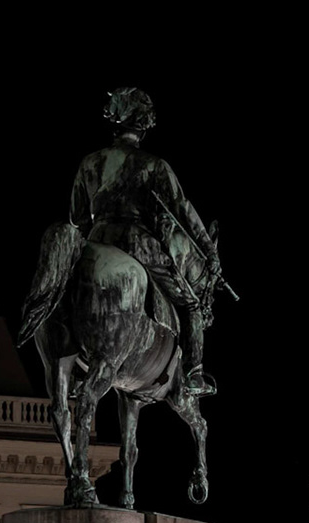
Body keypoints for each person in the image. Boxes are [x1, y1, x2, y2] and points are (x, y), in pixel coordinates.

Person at [69, 87, 219, 397]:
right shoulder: (154, 165)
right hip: (137, 242)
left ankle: (71, 366)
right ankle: (193, 373)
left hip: (96, 241)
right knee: (190, 303)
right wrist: (208, 251)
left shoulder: (90, 163)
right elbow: (184, 211)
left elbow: (77, 218)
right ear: (143, 124)